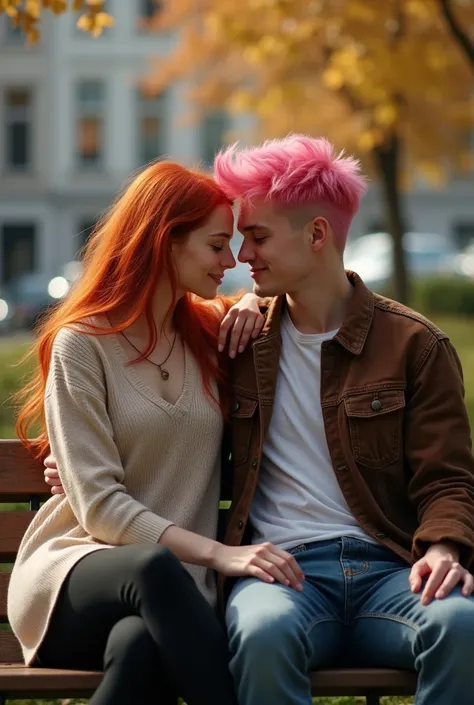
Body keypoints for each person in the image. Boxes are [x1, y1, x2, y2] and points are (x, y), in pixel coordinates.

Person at [45, 136, 474, 705]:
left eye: (257, 237)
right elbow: (131, 407)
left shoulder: (413, 345)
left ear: (317, 235)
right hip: (280, 573)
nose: (242, 256)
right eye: (232, 241)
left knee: (461, 626)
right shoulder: (238, 341)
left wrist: (444, 547)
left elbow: (447, 477)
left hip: (389, 566)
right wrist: (70, 468)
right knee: (261, 632)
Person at [8, 159, 304, 705]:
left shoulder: (212, 333)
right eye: (217, 245)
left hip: (169, 600)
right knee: (152, 566)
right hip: (74, 573)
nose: (231, 259)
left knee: (141, 645)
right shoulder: (84, 342)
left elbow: (303, 306)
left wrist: (255, 302)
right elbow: (98, 508)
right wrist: (219, 555)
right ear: (167, 242)